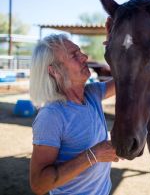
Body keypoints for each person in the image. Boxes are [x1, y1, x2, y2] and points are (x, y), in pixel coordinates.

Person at [29, 21, 118, 195]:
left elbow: (127, 80)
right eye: (74, 55)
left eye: (80, 51)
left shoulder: (91, 94)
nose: (84, 57)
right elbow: (39, 184)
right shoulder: (52, 116)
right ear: (54, 71)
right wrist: (93, 155)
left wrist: (116, 44)